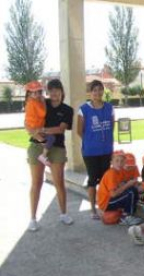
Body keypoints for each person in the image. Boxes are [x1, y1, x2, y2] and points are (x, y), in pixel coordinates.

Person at [26, 79, 74, 231]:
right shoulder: (41, 102)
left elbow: (61, 129)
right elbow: (27, 123)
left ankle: (64, 214)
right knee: (36, 183)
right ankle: (33, 219)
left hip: (57, 148)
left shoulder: (67, 109)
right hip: (37, 146)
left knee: (59, 182)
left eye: (56, 89)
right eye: (50, 90)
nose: (53, 93)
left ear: (61, 91)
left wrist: (43, 130)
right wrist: (34, 131)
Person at [77, 80, 114, 219]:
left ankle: (103, 206)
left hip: (106, 150)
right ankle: (93, 209)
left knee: (105, 179)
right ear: (90, 92)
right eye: (94, 90)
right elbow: (79, 131)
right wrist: (91, 141)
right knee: (93, 179)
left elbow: (111, 127)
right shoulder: (83, 109)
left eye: (100, 89)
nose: (97, 92)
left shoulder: (109, 107)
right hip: (90, 151)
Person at [97, 151, 141, 226]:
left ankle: (125, 213)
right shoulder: (112, 173)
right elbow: (113, 194)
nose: (119, 163)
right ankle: (127, 217)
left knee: (133, 190)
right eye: (117, 161)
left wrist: (128, 185)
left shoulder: (118, 171)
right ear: (111, 162)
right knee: (131, 191)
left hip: (109, 200)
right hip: (106, 203)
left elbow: (121, 185)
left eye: (122, 161)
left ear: (124, 162)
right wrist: (127, 185)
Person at [24, 81, 55, 166]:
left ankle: (40, 156)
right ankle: (42, 156)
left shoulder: (31, 101)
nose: (36, 94)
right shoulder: (34, 102)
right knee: (49, 139)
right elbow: (43, 113)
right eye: (34, 92)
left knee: (47, 140)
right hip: (35, 127)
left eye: (38, 92)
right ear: (29, 93)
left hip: (34, 127)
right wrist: (43, 102)